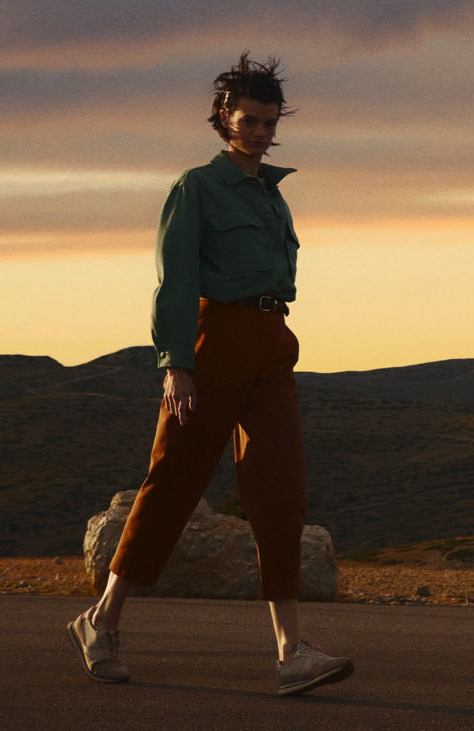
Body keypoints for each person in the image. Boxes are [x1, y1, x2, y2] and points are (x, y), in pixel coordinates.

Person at [67, 52, 355, 696]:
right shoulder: (195, 187)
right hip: (212, 337)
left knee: (281, 489)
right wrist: (177, 363)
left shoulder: (271, 192)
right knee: (174, 479)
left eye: (268, 122)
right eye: (248, 120)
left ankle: (291, 652)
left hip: (272, 341)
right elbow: (175, 281)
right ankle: (101, 620)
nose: (258, 132)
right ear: (224, 117)